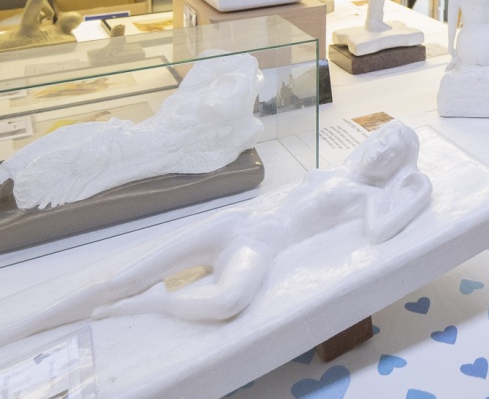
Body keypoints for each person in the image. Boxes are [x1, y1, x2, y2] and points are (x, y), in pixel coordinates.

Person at [0, 120, 432, 345]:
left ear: (396, 166)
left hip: (259, 248)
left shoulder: (368, 196)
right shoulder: (337, 168)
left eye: (392, 155)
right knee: (121, 278)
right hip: (238, 224)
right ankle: (20, 329)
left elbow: (379, 233)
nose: (380, 153)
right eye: (382, 142)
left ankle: (151, 304)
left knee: (228, 301)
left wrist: (417, 191)